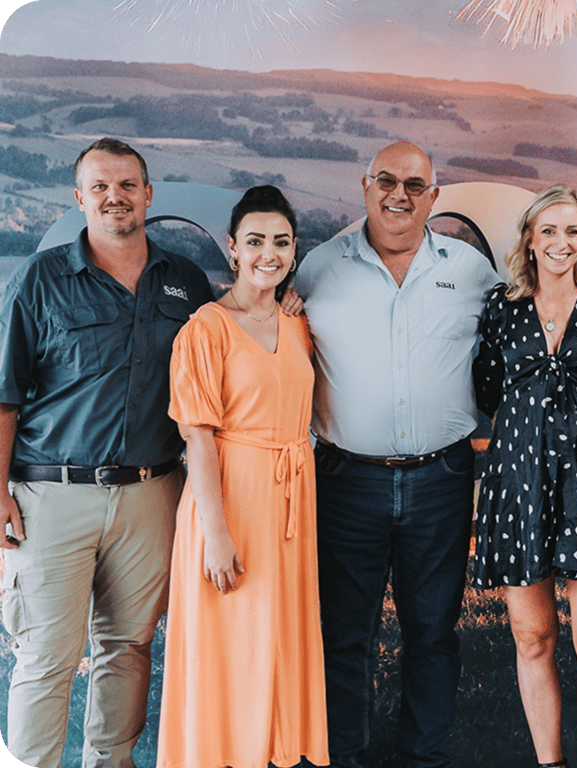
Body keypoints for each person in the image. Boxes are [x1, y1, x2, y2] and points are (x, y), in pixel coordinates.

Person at [0, 137, 214, 768]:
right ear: (79, 198)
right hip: (51, 496)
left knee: (130, 646)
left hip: (153, 493)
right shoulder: (39, 279)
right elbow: (3, 397)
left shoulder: (185, 282)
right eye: (100, 187)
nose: (114, 197)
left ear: (148, 195)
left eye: (126, 185)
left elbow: (230, 349)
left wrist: (283, 303)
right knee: (47, 654)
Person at [293, 141, 499, 768]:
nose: (399, 194)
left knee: (433, 635)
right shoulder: (317, 270)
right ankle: (342, 757)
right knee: (343, 637)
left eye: (415, 184)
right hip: (346, 483)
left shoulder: (470, 271)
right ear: (364, 186)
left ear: (434, 197)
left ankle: (424, 759)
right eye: (386, 180)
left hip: (441, 477)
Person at [156, 185, 328, 768]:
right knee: (228, 649)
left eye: (280, 242)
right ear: (232, 248)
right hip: (229, 504)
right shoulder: (207, 327)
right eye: (254, 241)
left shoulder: (299, 325)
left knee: (275, 646)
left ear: (294, 249)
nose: (267, 254)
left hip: (289, 508)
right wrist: (217, 533)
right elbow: (198, 439)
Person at [473, 184, 577, 768]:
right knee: (533, 638)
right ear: (530, 241)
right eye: (549, 231)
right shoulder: (502, 308)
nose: (561, 242)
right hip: (520, 486)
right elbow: (485, 388)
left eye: (573, 230)